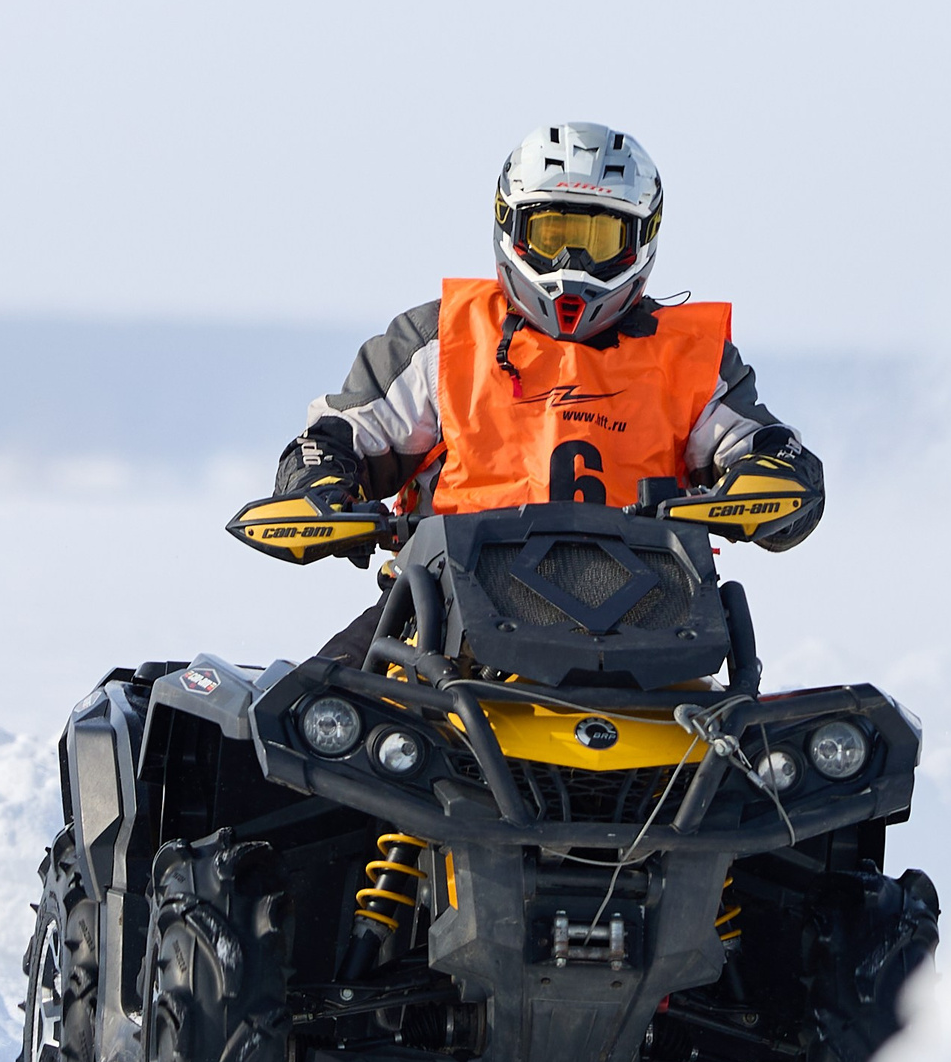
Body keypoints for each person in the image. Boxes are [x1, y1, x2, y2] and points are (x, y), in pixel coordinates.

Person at [272, 121, 826, 662]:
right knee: (295, 721)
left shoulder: (691, 360)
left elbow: (766, 449)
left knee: (797, 749)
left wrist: (774, 476)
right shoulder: (442, 341)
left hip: (650, 631)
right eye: (553, 234)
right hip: (442, 623)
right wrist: (318, 482)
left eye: (598, 239)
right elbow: (339, 435)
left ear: (642, 239)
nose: (571, 263)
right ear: (510, 225)